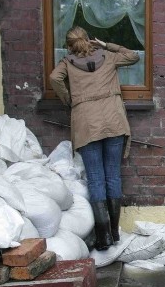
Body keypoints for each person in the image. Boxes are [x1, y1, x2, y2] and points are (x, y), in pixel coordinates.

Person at [50, 26, 139, 250]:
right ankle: (115, 232)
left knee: (96, 179)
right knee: (113, 176)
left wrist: (69, 99)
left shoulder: (67, 63)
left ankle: (103, 237)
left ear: (69, 45)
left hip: (86, 124)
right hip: (114, 120)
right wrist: (107, 45)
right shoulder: (107, 57)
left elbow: (54, 78)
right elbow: (133, 56)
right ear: (89, 40)